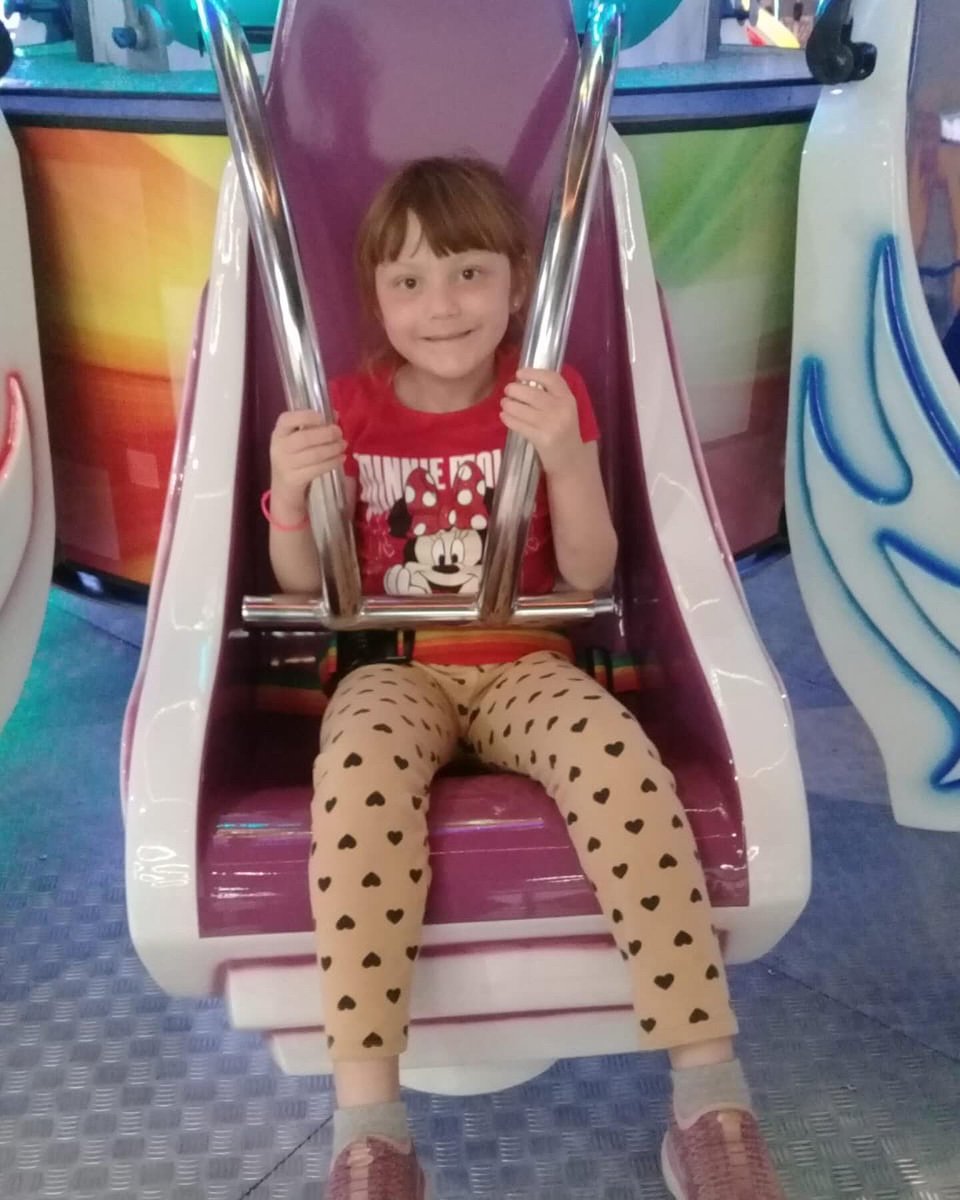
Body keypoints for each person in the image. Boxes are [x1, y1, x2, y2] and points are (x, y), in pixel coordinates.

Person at [265, 157, 786, 1200]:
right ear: (376, 297)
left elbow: (588, 570)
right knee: (356, 785)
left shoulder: (549, 396)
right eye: (409, 281)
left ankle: (710, 1099)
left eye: (468, 273)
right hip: (393, 666)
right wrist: (288, 491)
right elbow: (306, 585)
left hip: (524, 663)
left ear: (516, 283)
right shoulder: (347, 408)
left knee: (621, 763)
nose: (441, 305)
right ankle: (370, 1131)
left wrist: (567, 457)